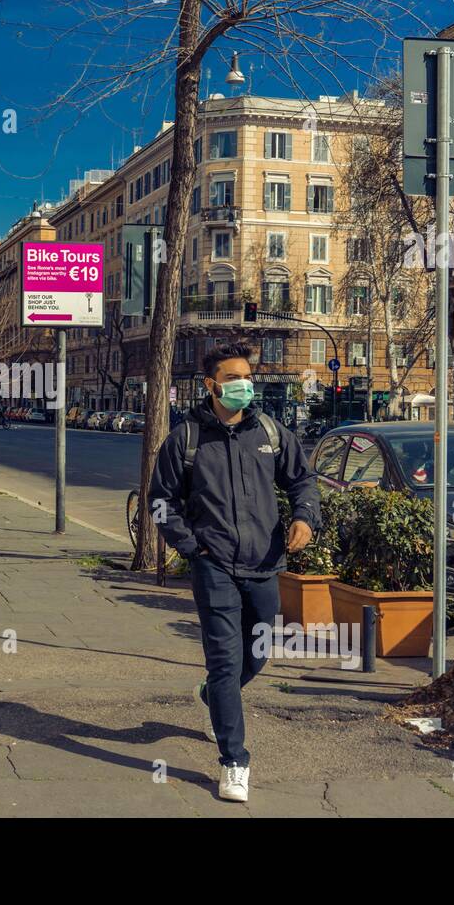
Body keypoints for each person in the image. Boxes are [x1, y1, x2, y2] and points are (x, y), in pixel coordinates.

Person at [148, 341, 321, 803]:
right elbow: (161, 502)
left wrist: (305, 516)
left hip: (265, 564)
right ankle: (234, 762)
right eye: (233, 378)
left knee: (258, 652)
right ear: (211, 385)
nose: (244, 384)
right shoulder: (185, 439)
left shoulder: (268, 431)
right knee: (224, 661)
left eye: (247, 376)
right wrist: (193, 548)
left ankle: (214, 695)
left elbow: (302, 479)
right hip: (214, 565)